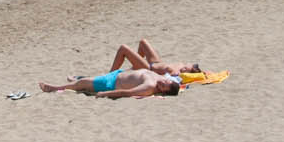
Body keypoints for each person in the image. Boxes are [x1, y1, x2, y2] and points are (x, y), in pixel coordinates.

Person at [39, 64, 180, 97]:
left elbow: (127, 93)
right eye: (165, 83)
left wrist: (105, 94)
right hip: (118, 74)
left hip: (110, 84)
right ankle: (77, 79)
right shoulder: (160, 78)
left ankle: (55, 88)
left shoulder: (149, 86)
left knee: (81, 85)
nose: (161, 84)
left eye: (162, 88)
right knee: (87, 81)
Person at [108, 41, 201, 76]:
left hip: (149, 69)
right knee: (143, 42)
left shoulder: (177, 73)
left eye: (185, 70)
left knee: (123, 48)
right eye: (185, 67)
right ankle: (135, 67)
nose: (183, 68)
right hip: (156, 62)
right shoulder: (182, 65)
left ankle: (110, 75)